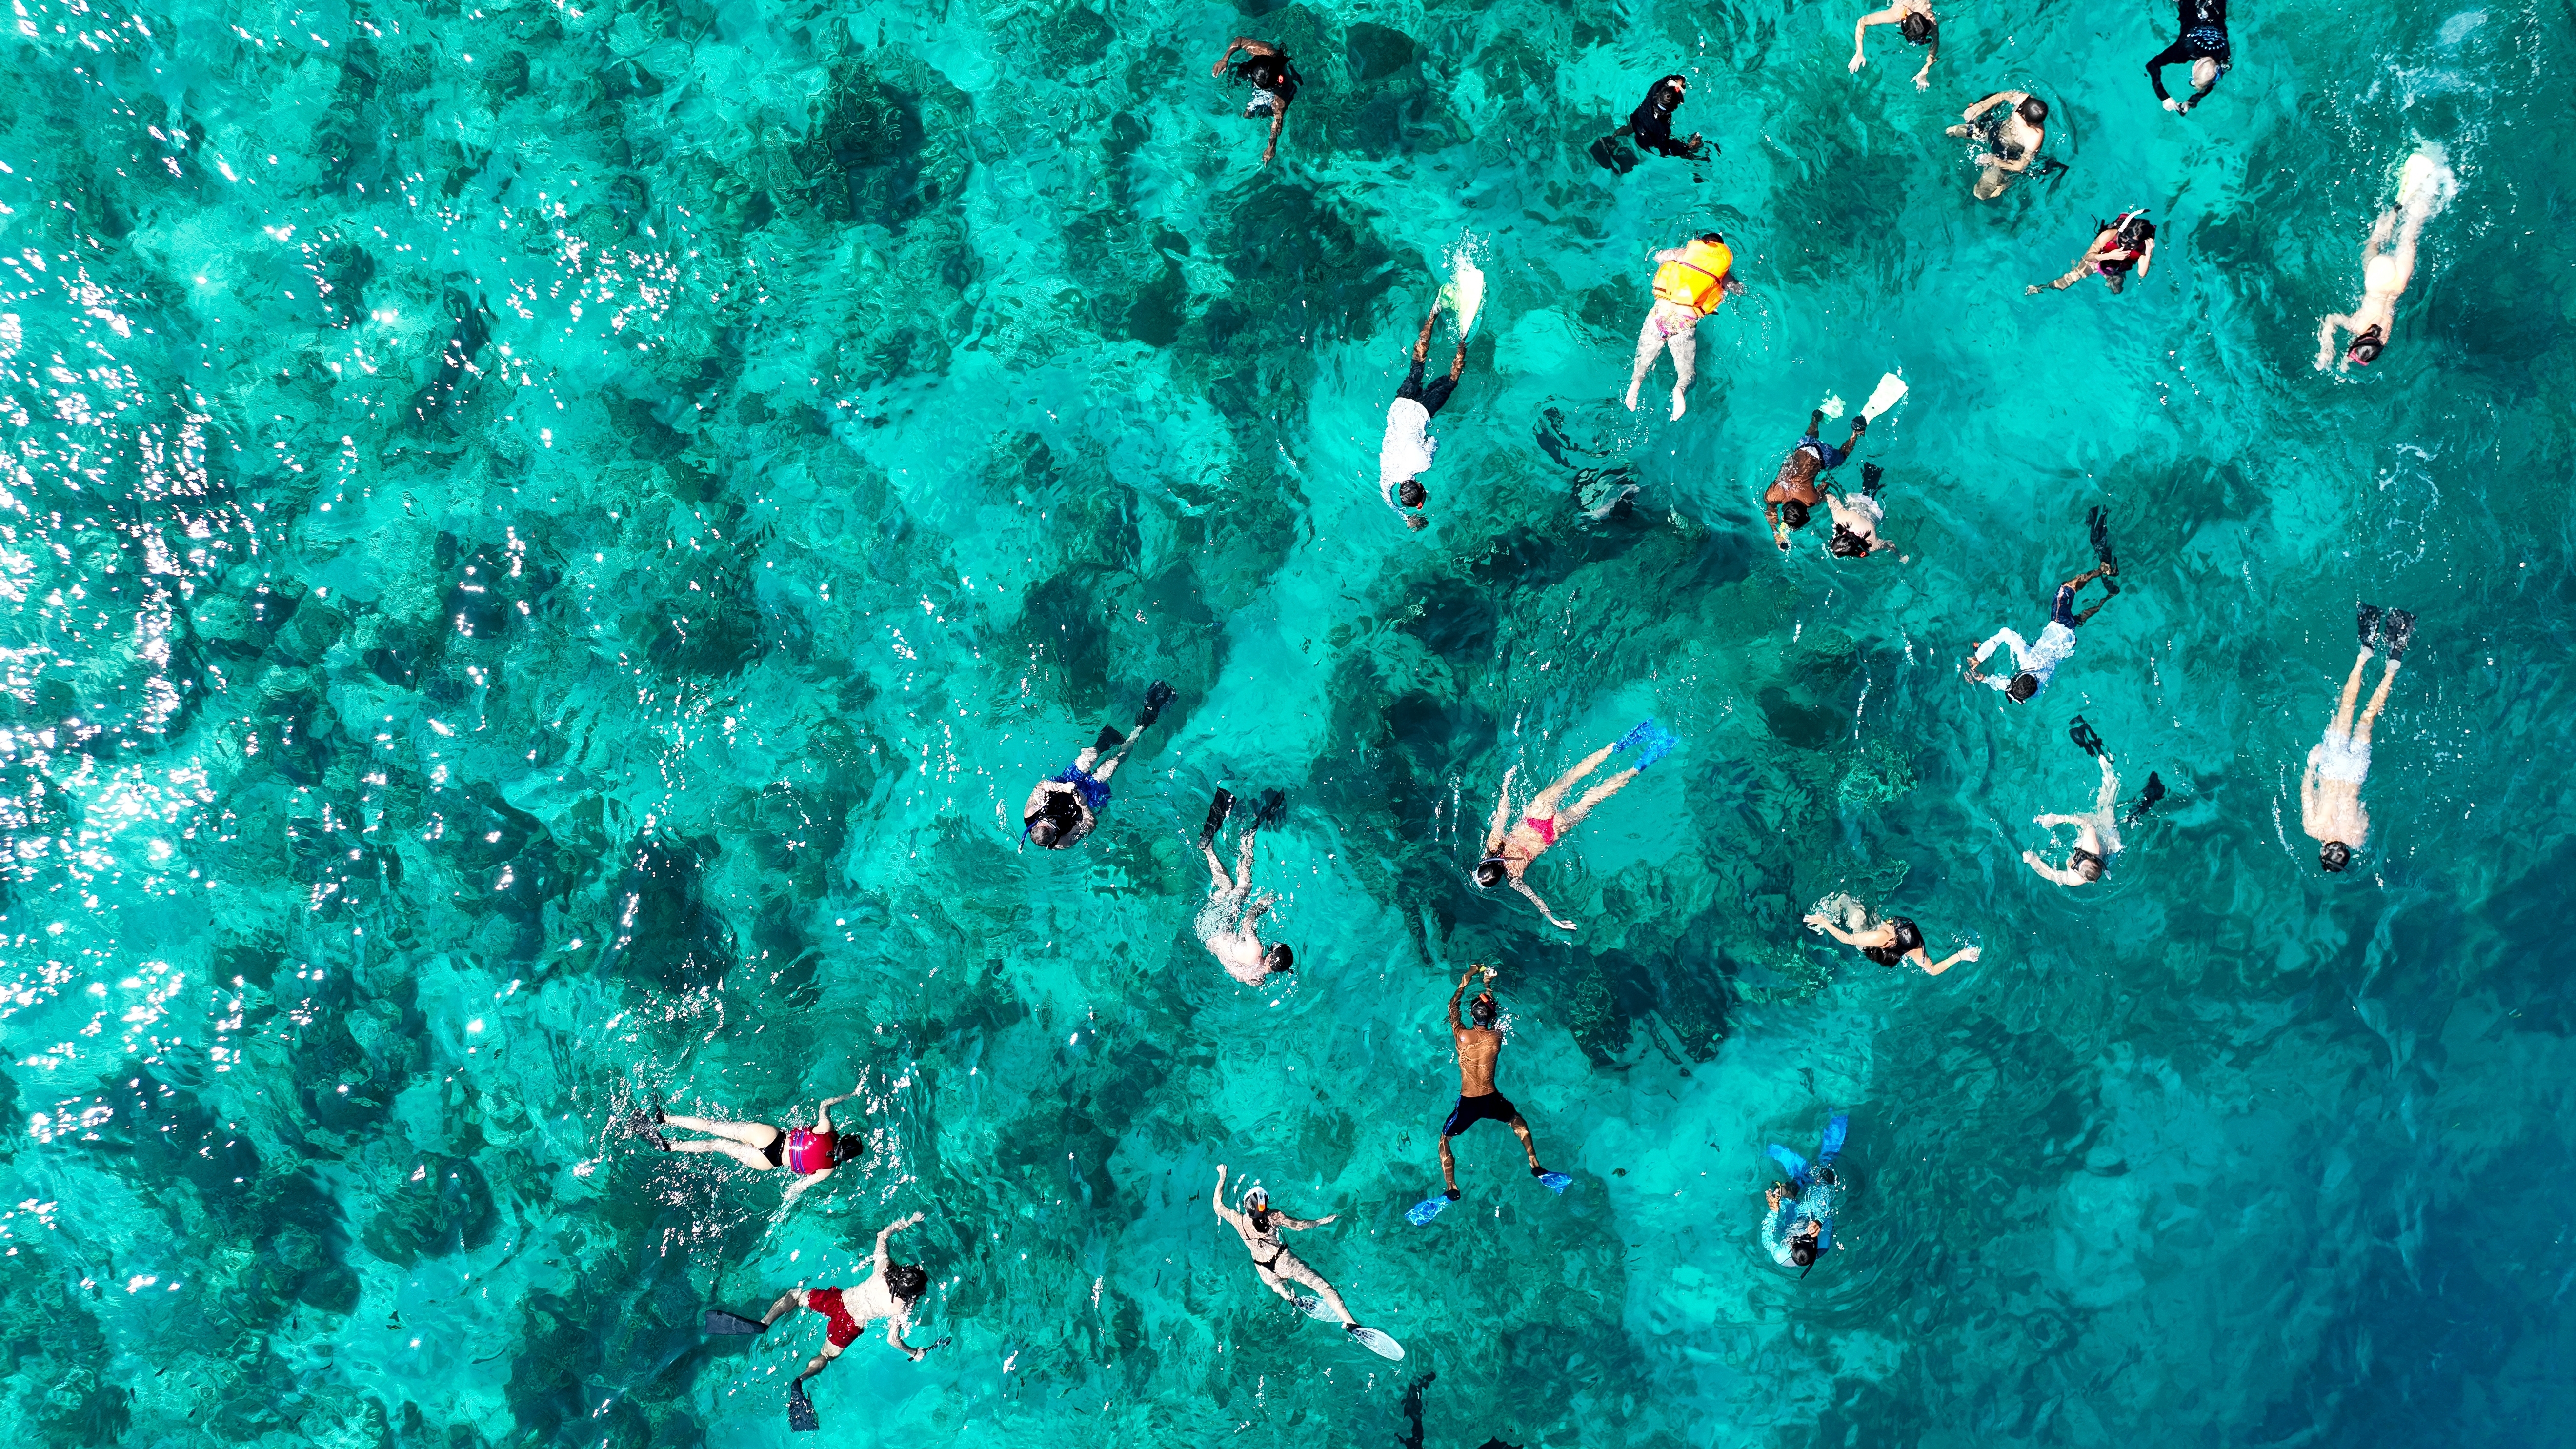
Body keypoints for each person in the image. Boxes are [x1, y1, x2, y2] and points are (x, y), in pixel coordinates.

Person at [1473, 720, 1675, 930]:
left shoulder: (1513, 878)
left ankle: (1636, 768)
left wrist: (1552, 919)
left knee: (1594, 798)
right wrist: (1506, 785)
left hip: (1549, 835)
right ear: (1484, 863)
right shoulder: (1493, 846)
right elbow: (1502, 815)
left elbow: (1535, 899)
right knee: (1572, 777)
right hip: (1536, 815)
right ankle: (1614, 747)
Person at [2316, 146, 2457, 371]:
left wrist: (2342, 361)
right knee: (2374, 242)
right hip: (2377, 281)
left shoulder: (2385, 336)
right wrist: (2326, 349)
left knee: (2411, 232)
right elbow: (2331, 319)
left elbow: (2366, 343)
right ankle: (2396, 209)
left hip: (2399, 282)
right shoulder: (2356, 326)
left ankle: (2429, 188)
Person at [1429, 966, 1559, 1204]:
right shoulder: (1496, 1037)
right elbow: (1494, 1013)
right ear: (1490, 1017)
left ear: (1472, 1015)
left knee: (1444, 1140)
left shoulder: (1462, 1037)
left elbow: (1452, 1007)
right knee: (1517, 1121)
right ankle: (1535, 1164)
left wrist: (1468, 978)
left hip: (1469, 1103)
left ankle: (1451, 1187)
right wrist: (1488, 985)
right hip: (1492, 1099)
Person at [2304, 603, 2413, 873]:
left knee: (2368, 718)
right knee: (2346, 708)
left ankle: (2393, 665)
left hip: (2354, 773)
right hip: (2331, 767)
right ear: (2324, 850)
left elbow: (2363, 809)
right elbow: (2307, 788)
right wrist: (2312, 763)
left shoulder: (2358, 838)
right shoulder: (2313, 828)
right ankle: (2364, 655)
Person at [1211, 1164, 1379, 1339]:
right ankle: (1351, 1324)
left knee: (1277, 1286)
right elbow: (1299, 1226)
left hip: (1263, 1270)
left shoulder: (1237, 1220)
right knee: (1326, 1289)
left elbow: (1217, 1204)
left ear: (1246, 1205)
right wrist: (1323, 1221)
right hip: (1284, 1263)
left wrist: (1222, 1176)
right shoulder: (1272, 1216)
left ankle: (1292, 1299)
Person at [646, 1088, 866, 1205]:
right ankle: (671, 1146)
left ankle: (665, 1119)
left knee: (714, 1127)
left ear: (844, 1138)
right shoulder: (828, 1170)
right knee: (715, 1145)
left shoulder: (826, 1129)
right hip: (768, 1162)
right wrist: (788, 1198)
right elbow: (798, 1187)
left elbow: (824, 1104)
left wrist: (850, 1095)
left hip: (770, 1137)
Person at [1024, 682, 1174, 849]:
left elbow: (1042, 785)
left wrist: (1063, 787)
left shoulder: (1031, 813)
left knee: (1089, 757)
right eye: (1055, 828)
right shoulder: (1063, 842)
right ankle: (1140, 727)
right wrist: (1084, 804)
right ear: (1054, 837)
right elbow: (1091, 825)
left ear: (1038, 823)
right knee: (1112, 765)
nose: (1053, 822)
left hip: (1066, 784)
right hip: (1086, 799)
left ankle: (1107, 739)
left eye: (1048, 821)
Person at [1966, 558, 2119, 702]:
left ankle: (2107, 599)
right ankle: (2102, 570)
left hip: (2069, 642)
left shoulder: (2038, 690)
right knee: (2066, 588)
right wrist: (1979, 657)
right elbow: (2006, 632)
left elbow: (2009, 686)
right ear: (2019, 677)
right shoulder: (2026, 660)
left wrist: (1985, 679)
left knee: (2078, 620)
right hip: (2059, 625)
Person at [1624, 234, 1741, 421]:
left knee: (1644, 358)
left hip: (1659, 314)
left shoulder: (1685, 253)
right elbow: (1737, 290)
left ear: (1702, 243)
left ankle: (1637, 382)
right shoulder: (1721, 272)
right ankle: (1679, 390)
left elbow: (1659, 257)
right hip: (1684, 321)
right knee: (1687, 373)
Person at [1382, 297, 1470, 531]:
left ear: (1421, 487)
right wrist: (1404, 517)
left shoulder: (1423, 465)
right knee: (1417, 365)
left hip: (1421, 412)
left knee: (1451, 381)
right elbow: (1386, 498)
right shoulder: (1387, 475)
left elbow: (1434, 441)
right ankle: (1432, 316)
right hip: (1399, 406)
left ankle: (1463, 338)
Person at [1195, 789, 1293, 985]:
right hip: (1206, 935)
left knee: (1244, 887)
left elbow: (1248, 919)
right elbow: (1233, 969)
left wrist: (1261, 906)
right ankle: (1210, 850)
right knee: (1226, 889)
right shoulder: (1256, 978)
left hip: (1215, 926)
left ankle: (1245, 838)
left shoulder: (1256, 950)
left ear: (1272, 957)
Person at [1763, 407, 1869, 551]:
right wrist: (1776, 531)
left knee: (1842, 456)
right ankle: (1815, 419)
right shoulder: (1773, 494)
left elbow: (1825, 484)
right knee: (1810, 436)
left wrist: (1775, 529)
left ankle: (1855, 434)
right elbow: (1771, 511)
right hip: (1803, 445)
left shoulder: (1810, 500)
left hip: (1824, 456)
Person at [1802, 896, 1981, 975]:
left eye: (1894, 926)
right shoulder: (1916, 947)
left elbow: (1847, 939)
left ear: (1893, 937)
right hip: (1888, 949)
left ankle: (1834, 908)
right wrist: (1960, 956)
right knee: (1866, 913)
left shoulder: (1881, 936)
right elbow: (1933, 971)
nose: (1894, 923)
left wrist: (1825, 922)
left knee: (1856, 913)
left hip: (1868, 945)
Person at [2023, 749, 2124, 886]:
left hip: (2106, 848)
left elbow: (2052, 875)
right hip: (2108, 839)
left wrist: (2033, 862)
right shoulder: (2090, 849)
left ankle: (2111, 777)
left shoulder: (2075, 877)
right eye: (2079, 857)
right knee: (2104, 808)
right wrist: (2059, 819)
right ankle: (2110, 773)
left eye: (2076, 861)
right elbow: (2087, 823)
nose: (2074, 860)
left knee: (2102, 811)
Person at [1762, 1114, 1848, 1269]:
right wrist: (1821, 1222)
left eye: (1799, 1239)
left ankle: (1769, 1149)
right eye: (1809, 1238)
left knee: (1782, 1193)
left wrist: (1774, 1212)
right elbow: (1830, 1219)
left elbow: (1767, 1239)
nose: (1804, 1235)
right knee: (1825, 1173)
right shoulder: (1822, 1244)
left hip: (1790, 1219)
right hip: (1812, 1212)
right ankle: (1840, 1117)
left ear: (1791, 1247)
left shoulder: (1781, 1255)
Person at [1210, 38, 1302, 166]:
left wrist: (1271, 147)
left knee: (1248, 114)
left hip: (1277, 87)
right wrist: (1224, 60)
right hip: (1268, 74)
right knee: (1247, 114)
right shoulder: (1263, 50)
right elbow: (1240, 41)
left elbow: (1278, 120)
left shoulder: (1281, 91)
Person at [1946, 92, 2049, 200]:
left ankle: (2005, 185)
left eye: (2019, 116)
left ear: (2031, 124)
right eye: (2018, 110)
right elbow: (2001, 96)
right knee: (1951, 131)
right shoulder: (2023, 101)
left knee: (1981, 193)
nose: (2016, 113)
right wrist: (1979, 107)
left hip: (2006, 155)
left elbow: (2020, 166)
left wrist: (1994, 161)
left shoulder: (2033, 139)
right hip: (1992, 132)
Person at [2028, 211, 2157, 295]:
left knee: (2117, 290)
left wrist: (2149, 252)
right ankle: (2041, 288)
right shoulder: (2109, 235)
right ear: (2122, 232)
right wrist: (2109, 256)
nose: (2125, 245)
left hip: (2116, 266)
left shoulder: (2143, 246)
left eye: (2131, 244)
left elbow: (2141, 275)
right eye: (2123, 239)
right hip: (2098, 259)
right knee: (2069, 280)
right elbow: (2088, 256)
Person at [2145, 0, 2229, 114]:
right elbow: (2152, 65)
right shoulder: (2185, 51)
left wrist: (2191, 102)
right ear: (2194, 68)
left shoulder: (2224, 53)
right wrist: (2165, 98)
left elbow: (2213, 80)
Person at [1850, 0, 1938, 89]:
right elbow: (1862, 22)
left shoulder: (1931, 22)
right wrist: (1859, 52)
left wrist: (1926, 69)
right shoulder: (1896, 14)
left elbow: (1935, 43)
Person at [1624, 74, 1710, 160]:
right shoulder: (1663, 129)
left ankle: (1615, 135)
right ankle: (1690, 155)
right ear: (1674, 108)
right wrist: (1688, 148)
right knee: (1678, 147)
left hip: (1637, 120)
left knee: (1632, 126)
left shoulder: (1656, 89)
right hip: (1645, 141)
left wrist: (1679, 79)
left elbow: (1666, 78)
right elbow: (1664, 150)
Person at [1825, 463, 1896, 558]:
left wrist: (1901, 557)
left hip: (1876, 511)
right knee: (1866, 493)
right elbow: (1830, 497)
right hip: (1856, 501)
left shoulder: (1872, 545)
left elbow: (1891, 545)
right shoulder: (1840, 518)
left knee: (1872, 494)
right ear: (1844, 534)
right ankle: (1872, 471)